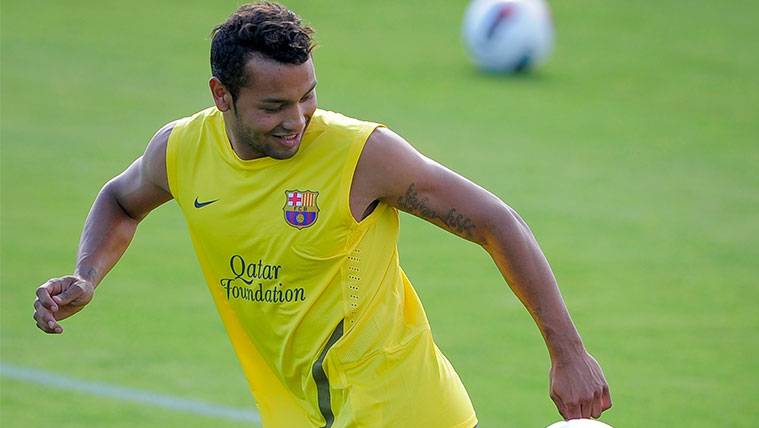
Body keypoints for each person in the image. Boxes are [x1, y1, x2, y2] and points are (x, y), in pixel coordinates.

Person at [33, 2, 611, 427]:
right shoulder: (181, 151)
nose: (297, 119)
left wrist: (567, 353)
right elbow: (120, 200)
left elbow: (495, 221)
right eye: (274, 106)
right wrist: (87, 274)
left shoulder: (361, 156)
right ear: (221, 95)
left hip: (400, 412)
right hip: (299, 413)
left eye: (307, 95)